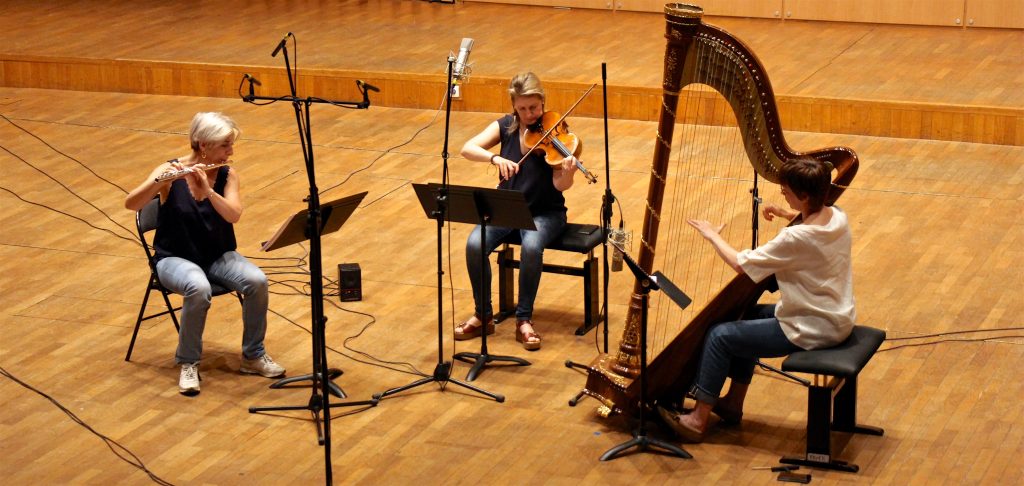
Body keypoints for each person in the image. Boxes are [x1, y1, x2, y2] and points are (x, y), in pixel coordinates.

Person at [658, 157, 856, 442]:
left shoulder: (796, 239)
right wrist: (789, 214)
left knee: (719, 336)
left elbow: (741, 264)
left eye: (786, 190)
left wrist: (712, 235)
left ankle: (697, 420)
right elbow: (810, 228)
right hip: (834, 315)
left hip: (812, 327)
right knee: (746, 314)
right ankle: (732, 403)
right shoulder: (837, 216)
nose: (781, 193)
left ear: (804, 195)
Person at [124, 112, 284, 396]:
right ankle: (188, 362)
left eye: (230, 144)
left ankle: (253, 356)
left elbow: (233, 215)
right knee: (198, 288)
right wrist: (158, 181)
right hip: (174, 258)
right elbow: (131, 203)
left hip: (217, 256)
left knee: (257, 281)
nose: (231, 151)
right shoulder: (171, 171)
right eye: (225, 145)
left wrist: (208, 190)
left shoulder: (227, 174)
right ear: (202, 144)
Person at [456, 72, 581, 351]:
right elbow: (467, 148)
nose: (529, 115)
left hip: (545, 213)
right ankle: (483, 314)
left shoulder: (557, 133)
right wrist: (495, 157)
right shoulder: (506, 126)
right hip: (507, 208)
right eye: (522, 108)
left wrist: (568, 173)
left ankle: (524, 318)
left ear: (543, 103)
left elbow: (560, 185)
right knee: (474, 245)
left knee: (532, 246)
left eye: (534, 108)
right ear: (514, 106)